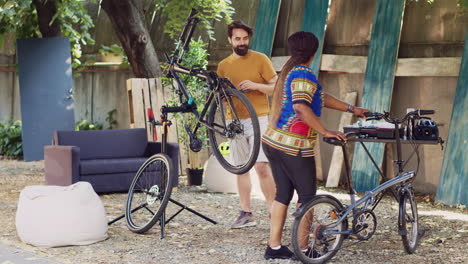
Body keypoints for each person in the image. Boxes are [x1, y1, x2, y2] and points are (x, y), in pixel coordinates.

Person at [261, 31, 369, 260]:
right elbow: (301, 107)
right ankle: (305, 250)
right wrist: (325, 130)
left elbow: (319, 96)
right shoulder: (303, 74)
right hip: (293, 147)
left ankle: (274, 247)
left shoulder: (292, 71)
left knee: (283, 194)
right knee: (308, 196)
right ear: (315, 50)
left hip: (274, 141)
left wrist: (351, 109)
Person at [217, 21, 277, 229]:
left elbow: (275, 86)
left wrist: (255, 86)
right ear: (230, 40)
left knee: (261, 166)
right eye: (237, 39)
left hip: (258, 118)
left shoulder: (260, 59)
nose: (242, 42)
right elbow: (220, 96)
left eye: (245, 38)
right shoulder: (224, 66)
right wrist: (225, 97)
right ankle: (246, 213)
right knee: (241, 168)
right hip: (234, 121)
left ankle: (273, 211)